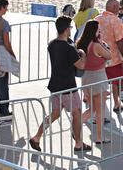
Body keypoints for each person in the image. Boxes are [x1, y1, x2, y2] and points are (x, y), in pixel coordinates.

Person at [29, 16, 91, 153]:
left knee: (54, 114)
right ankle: (79, 144)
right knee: (77, 113)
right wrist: (83, 54)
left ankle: (37, 137)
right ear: (66, 29)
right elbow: (81, 65)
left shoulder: (52, 44)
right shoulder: (69, 48)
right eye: (70, 27)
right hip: (68, 87)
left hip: (55, 85)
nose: (71, 30)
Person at [75, 20, 112, 142]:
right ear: (94, 31)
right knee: (99, 109)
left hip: (86, 78)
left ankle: (76, 124)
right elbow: (109, 55)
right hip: (98, 78)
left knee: (92, 108)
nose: (99, 31)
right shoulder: (96, 45)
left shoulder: (80, 43)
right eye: (98, 30)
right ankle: (99, 137)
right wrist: (101, 42)